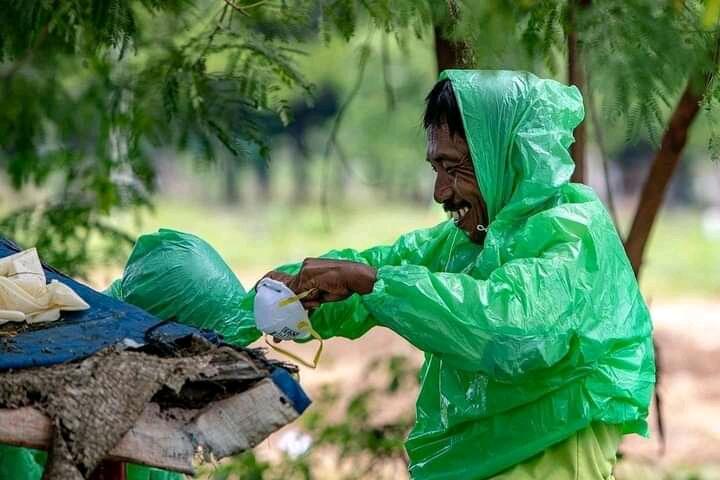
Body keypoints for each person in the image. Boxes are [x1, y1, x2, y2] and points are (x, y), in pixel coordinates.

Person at [20, 69, 650, 480]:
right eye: (436, 166)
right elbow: (387, 267)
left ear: (505, 156)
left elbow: (509, 329)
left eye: (456, 168)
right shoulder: (468, 241)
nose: (440, 191)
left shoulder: (572, 230)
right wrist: (305, 292)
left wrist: (372, 284)